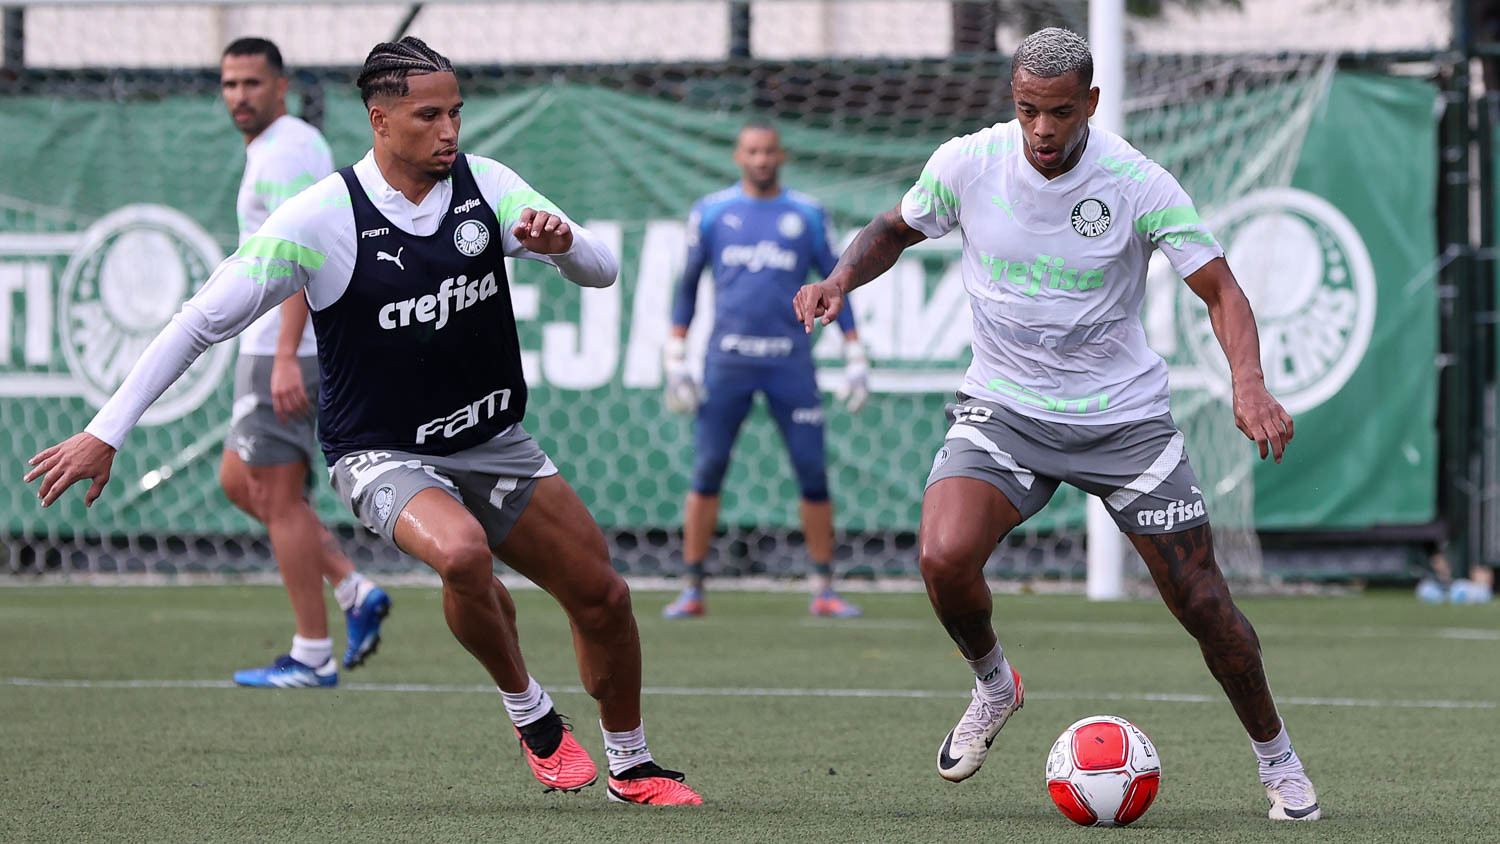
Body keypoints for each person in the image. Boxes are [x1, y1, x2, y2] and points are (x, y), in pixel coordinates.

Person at [27, 36, 702, 806]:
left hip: (491, 440)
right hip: (381, 452)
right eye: (428, 115)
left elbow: (601, 270)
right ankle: (533, 715)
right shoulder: (319, 217)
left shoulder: (488, 185)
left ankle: (633, 766)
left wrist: (565, 246)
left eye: (455, 113)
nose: (449, 130)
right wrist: (106, 430)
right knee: (461, 555)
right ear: (380, 121)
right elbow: (197, 322)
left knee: (604, 597)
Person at [792, 27, 1320, 822]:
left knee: (1202, 601)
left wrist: (1249, 383)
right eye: (1029, 110)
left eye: (1061, 113)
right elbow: (894, 231)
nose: (1043, 129)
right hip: (1006, 409)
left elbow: (1223, 292)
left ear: (1092, 105)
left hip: (1124, 421)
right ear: (1014, 101)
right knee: (942, 556)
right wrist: (839, 278)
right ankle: (996, 685)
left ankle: (1279, 762)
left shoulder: (1138, 183)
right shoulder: (969, 163)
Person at [217, 36, 391, 689]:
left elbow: (302, 254)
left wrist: (288, 352)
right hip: (271, 346)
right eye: (230, 84)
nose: (239, 96)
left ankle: (312, 654)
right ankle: (352, 589)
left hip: (283, 348)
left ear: (281, 86)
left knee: (276, 495)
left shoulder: (288, 148)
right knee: (241, 480)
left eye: (252, 84)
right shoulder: (279, 146)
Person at [662, 120, 869, 620]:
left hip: (789, 362)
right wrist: (675, 353)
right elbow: (687, 285)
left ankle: (823, 586)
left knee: (812, 471)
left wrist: (855, 353)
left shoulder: (807, 214)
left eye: (769, 151)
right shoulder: (711, 213)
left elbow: (836, 281)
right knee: (707, 470)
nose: (761, 159)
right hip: (727, 361)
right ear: (738, 156)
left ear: (782, 155)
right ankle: (692, 587)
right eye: (752, 151)